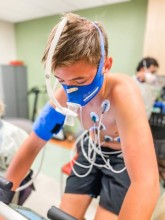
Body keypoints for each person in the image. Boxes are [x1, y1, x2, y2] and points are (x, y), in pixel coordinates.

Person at [0, 13, 160, 220]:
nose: (71, 92)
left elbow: (146, 182)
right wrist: (4, 198)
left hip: (121, 160)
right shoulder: (63, 94)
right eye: (62, 80)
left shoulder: (124, 94)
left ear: (107, 65)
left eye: (80, 80)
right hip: (90, 151)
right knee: (65, 215)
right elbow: (32, 145)